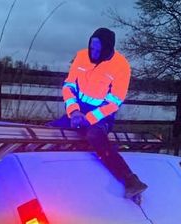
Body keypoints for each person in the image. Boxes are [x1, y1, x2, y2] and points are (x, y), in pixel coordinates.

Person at [48, 27, 148, 199]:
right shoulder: (81, 56)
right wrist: (74, 112)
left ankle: (130, 180)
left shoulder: (121, 66)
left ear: (107, 49)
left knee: (95, 136)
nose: (92, 53)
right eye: (91, 48)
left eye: (97, 50)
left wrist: (89, 119)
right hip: (77, 113)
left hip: (102, 116)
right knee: (49, 129)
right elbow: (69, 86)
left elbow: (114, 102)